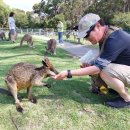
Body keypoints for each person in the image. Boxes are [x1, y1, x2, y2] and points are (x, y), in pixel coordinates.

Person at [52, 13, 130, 108]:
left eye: (87, 35)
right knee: (94, 65)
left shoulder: (115, 38)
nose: (86, 39)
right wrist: (91, 65)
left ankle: (126, 99)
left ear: (97, 26)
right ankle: (112, 90)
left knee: (104, 71)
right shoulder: (106, 36)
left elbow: (98, 68)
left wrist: (68, 73)